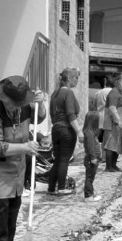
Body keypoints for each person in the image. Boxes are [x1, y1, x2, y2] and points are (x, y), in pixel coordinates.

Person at [0, 75, 46, 241]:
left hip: (16, 167)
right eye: (12, 103)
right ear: (4, 98)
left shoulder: (23, 104)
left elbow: (38, 117)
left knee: (13, 205)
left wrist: (41, 103)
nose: (17, 107)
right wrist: (24, 147)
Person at [47, 67, 82, 196]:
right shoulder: (68, 93)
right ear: (70, 78)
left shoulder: (54, 94)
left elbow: (52, 114)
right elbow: (71, 114)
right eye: (76, 78)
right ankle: (61, 187)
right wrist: (79, 132)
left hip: (55, 128)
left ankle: (51, 188)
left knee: (57, 159)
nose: (77, 81)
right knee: (64, 160)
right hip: (66, 129)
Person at [102, 74, 122, 171]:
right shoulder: (114, 93)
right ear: (117, 83)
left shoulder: (118, 92)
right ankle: (109, 166)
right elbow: (112, 108)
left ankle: (113, 165)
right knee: (111, 145)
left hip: (118, 123)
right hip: (113, 123)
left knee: (116, 144)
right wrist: (118, 120)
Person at [82, 86, 106, 201]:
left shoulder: (89, 132)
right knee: (89, 177)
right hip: (92, 159)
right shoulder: (90, 134)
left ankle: (90, 192)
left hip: (93, 158)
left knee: (90, 176)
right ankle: (88, 195)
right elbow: (90, 147)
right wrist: (93, 158)